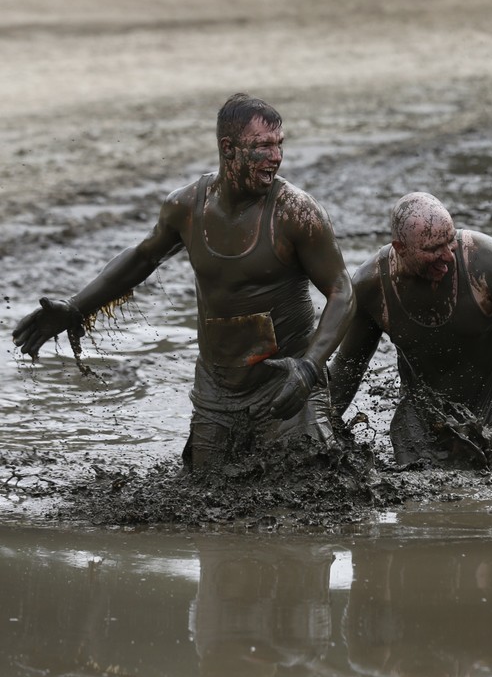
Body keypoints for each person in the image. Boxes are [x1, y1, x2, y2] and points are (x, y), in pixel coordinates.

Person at [12, 93, 356, 472]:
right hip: (217, 390)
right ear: (229, 149)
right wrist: (77, 307)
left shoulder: (297, 214)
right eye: (263, 147)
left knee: (311, 491)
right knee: (205, 495)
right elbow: (144, 257)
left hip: (287, 386)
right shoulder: (186, 207)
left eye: (279, 145)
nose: (276, 157)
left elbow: (343, 291)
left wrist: (309, 368)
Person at [328, 192, 492, 466]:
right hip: (425, 421)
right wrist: (323, 433)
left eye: (450, 241)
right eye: (432, 249)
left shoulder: (491, 264)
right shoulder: (372, 287)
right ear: (400, 247)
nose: (447, 257)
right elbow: (348, 365)